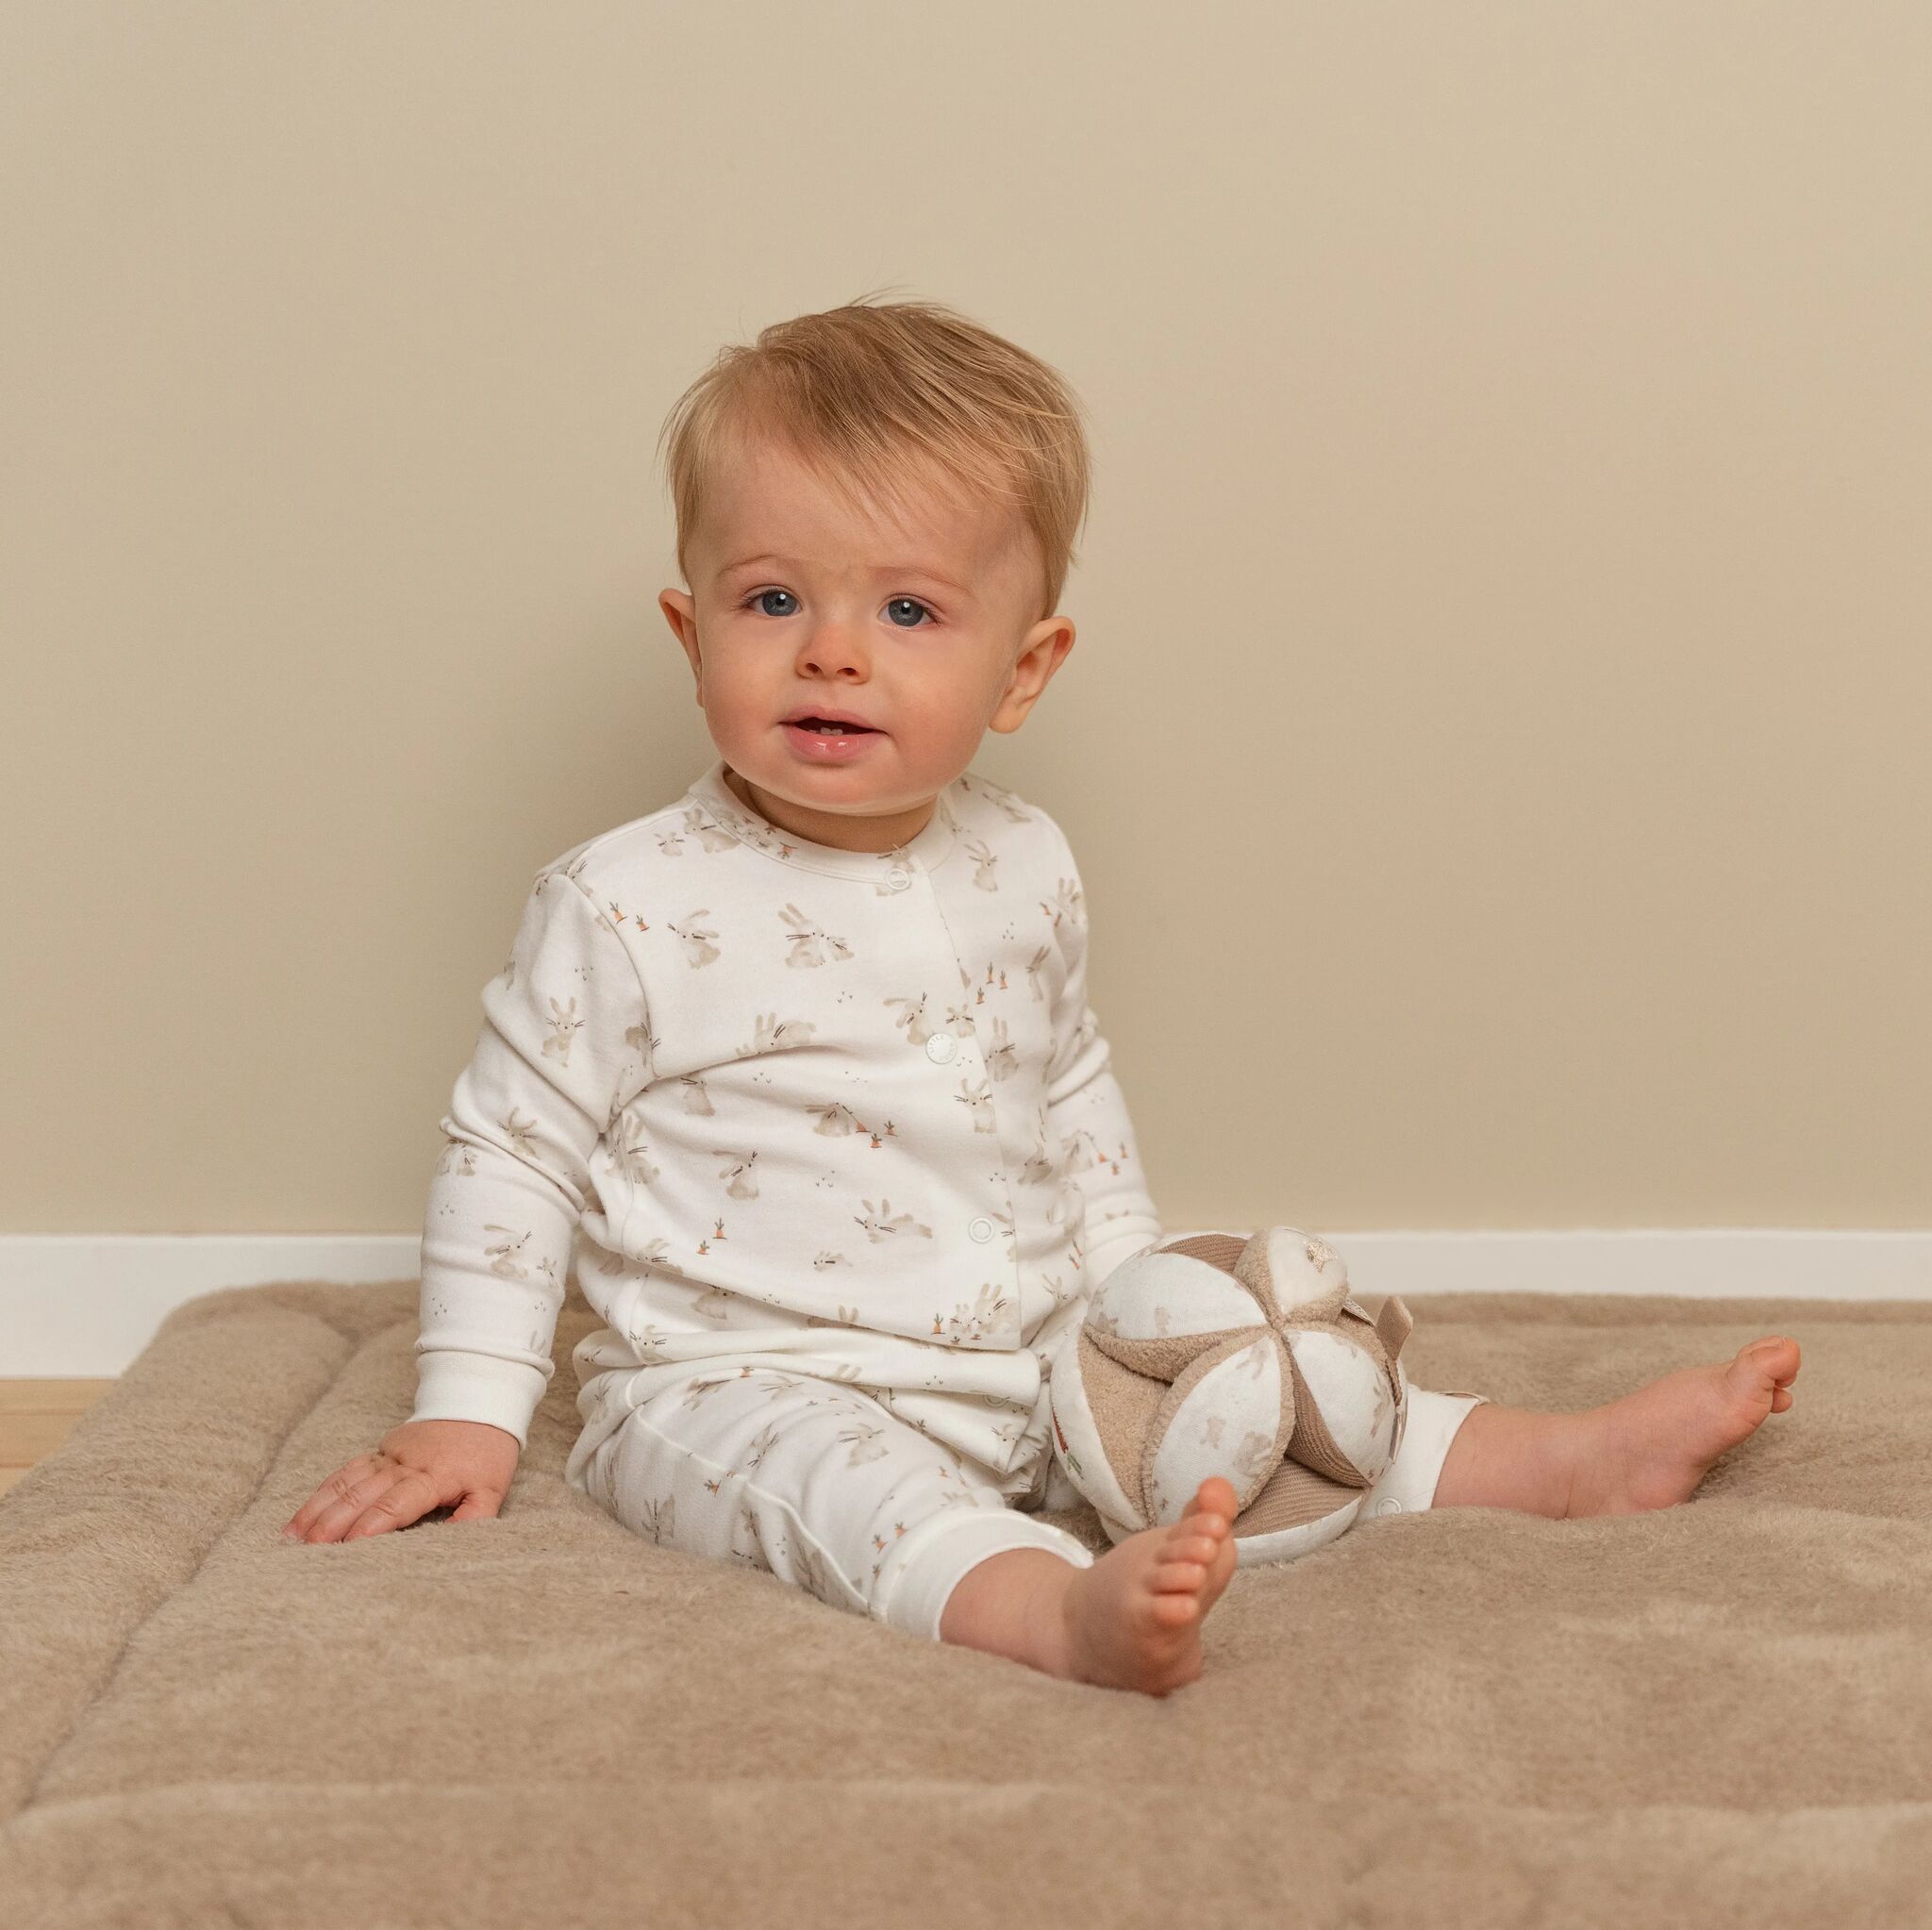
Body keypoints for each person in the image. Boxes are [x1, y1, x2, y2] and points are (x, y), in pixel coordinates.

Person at [283, 295, 1802, 1697]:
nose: (832, 653)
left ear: (1024, 669)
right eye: (772, 598)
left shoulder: (1026, 861)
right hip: (741, 1380)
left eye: (909, 612)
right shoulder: (627, 901)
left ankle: (1551, 1462)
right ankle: (1048, 1611)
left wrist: (1136, 1305)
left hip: (1020, 1349)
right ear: (692, 637)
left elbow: (1065, 1082)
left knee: (1268, 1402)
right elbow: (511, 1149)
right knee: (841, 1491)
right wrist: (468, 1402)